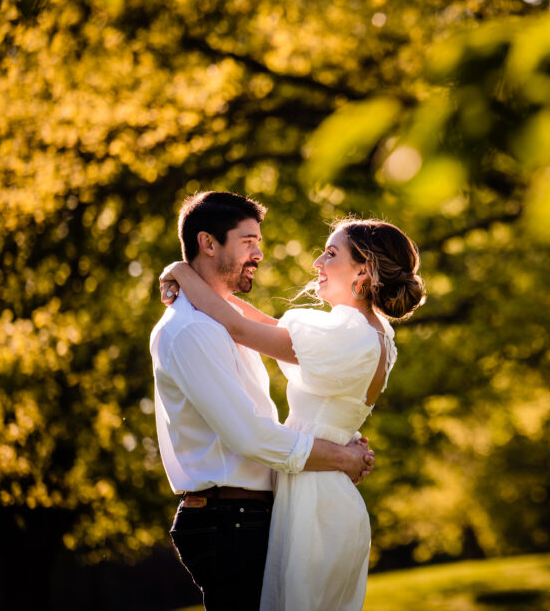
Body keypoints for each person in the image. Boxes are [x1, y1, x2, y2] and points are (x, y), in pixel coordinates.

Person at [159, 212, 425, 611]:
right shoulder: (370, 332)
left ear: (363, 272)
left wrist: (180, 269)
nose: (317, 263)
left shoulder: (348, 334)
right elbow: (259, 324)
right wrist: (197, 283)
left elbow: (242, 329)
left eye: (331, 254)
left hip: (314, 500)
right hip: (321, 491)